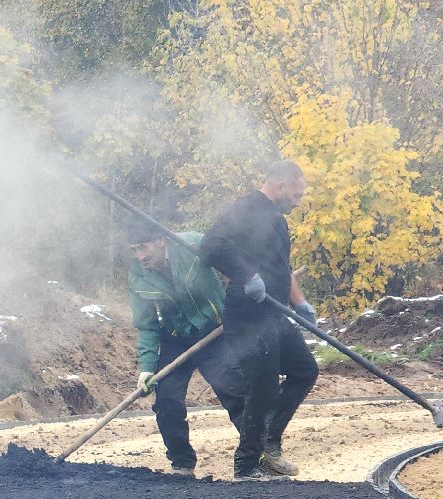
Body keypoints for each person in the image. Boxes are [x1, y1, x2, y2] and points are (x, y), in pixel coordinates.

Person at [198, 159, 317, 480]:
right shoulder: (246, 208)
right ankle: (246, 464)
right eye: (296, 195)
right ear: (278, 186)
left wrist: (301, 303)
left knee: (305, 370)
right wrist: (246, 275)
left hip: (275, 314)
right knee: (261, 387)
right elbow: (210, 246)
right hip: (248, 316)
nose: (298, 201)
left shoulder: (278, 221)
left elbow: (282, 268)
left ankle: (269, 443)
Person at [127, 222, 235, 477]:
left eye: (143, 248)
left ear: (160, 241)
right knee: (166, 401)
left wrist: (244, 289)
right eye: (133, 250)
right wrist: (146, 368)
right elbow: (147, 325)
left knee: (235, 391)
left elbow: (235, 261)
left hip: (215, 333)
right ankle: (181, 463)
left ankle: (255, 457)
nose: (139, 256)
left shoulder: (193, 244)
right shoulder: (137, 275)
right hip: (176, 337)